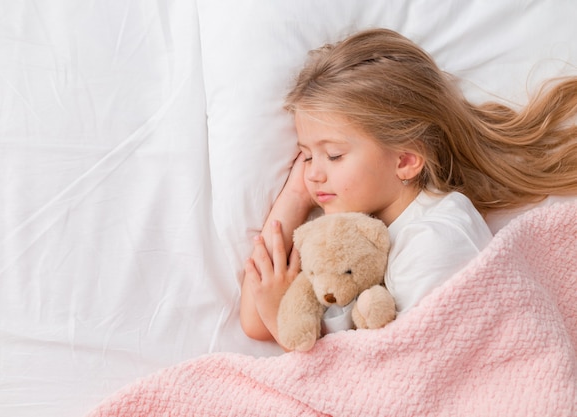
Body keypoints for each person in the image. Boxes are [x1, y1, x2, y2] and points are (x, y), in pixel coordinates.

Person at [240, 28, 577, 347]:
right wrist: (296, 198)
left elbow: (397, 371)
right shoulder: (356, 235)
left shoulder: (436, 242)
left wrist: (276, 314)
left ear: (404, 161)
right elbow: (255, 322)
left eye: (333, 154)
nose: (313, 173)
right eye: (306, 156)